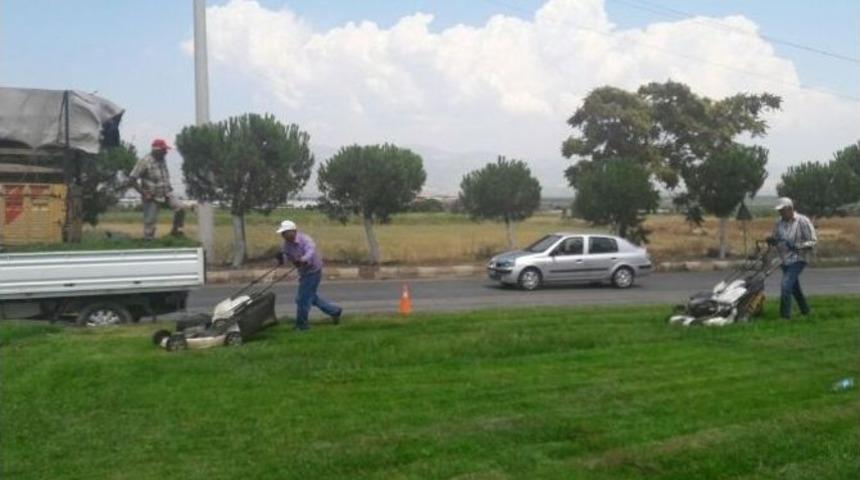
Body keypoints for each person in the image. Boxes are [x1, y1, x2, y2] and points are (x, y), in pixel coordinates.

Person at [275, 220, 342, 330]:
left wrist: (303, 260)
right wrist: (281, 258)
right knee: (308, 297)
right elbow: (287, 256)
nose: (283, 235)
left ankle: (302, 326)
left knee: (302, 299)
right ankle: (334, 311)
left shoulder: (305, 239)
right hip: (303, 272)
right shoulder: (287, 244)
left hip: (313, 271)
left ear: (293, 231)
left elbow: (310, 252)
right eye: (282, 233)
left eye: (285, 232)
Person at [767, 197, 817, 319]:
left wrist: (798, 246)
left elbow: (813, 241)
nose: (780, 213)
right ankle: (806, 311)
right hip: (784, 259)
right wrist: (771, 240)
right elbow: (776, 236)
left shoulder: (802, 221)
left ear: (790, 209)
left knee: (785, 286)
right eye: (779, 211)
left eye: (782, 210)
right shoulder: (779, 222)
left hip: (798, 258)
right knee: (794, 288)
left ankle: (784, 317)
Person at [128, 139, 185, 240]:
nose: (166, 152)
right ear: (156, 150)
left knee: (180, 208)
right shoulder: (144, 161)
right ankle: (149, 241)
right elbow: (132, 178)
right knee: (150, 222)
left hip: (166, 193)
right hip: (152, 196)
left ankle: (176, 232)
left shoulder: (162, 160)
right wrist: (143, 192)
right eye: (164, 150)